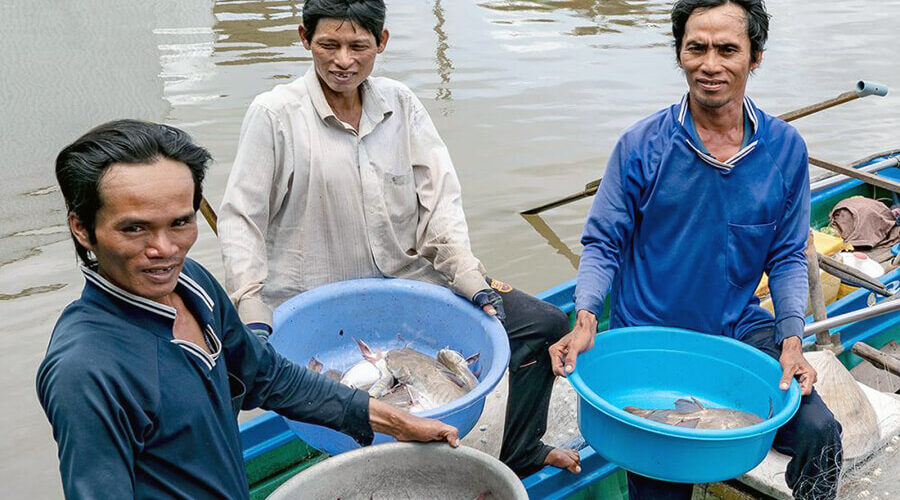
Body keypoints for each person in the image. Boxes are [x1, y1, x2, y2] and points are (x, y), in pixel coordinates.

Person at [218, 0, 578, 477]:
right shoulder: (275, 114)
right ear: (305, 39)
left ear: (381, 43)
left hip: (410, 284)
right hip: (319, 303)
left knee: (543, 324)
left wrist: (468, 276)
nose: (342, 60)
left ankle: (521, 449)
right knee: (254, 388)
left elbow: (440, 204)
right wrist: (250, 306)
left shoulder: (400, 104)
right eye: (328, 44)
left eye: (357, 46)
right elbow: (241, 218)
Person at [36, 120, 459, 500]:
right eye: (134, 228)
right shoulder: (86, 370)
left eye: (180, 223)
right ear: (82, 228)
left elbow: (269, 377)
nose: (164, 250)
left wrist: (398, 422)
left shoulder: (194, 286)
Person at [549, 1, 842, 499]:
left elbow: (790, 254)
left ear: (756, 57)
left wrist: (792, 337)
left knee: (820, 432)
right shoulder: (642, 146)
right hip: (654, 337)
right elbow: (603, 243)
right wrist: (586, 316)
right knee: (663, 475)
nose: (710, 64)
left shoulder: (785, 148)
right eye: (696, 48)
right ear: (679, 54)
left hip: (737, 328)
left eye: (728, 49)